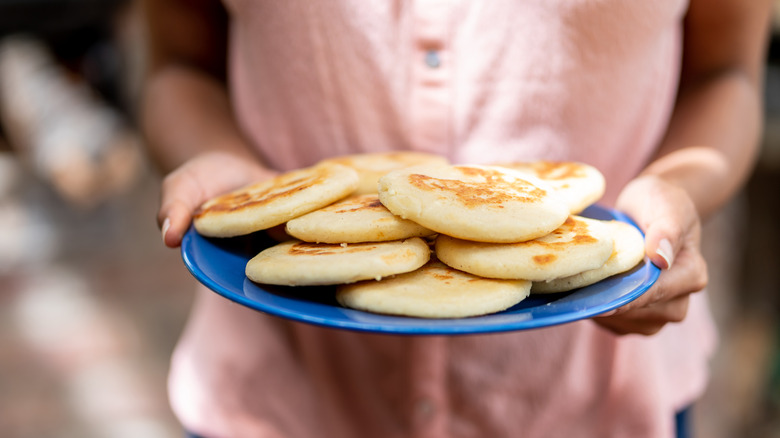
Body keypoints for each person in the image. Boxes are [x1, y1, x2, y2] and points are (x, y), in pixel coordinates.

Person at [139, 1, 771, 437]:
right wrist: (227, 172)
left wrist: (676, 188)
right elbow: (179, 63)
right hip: (278, 397)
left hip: (601, 404)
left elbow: (727, 70)